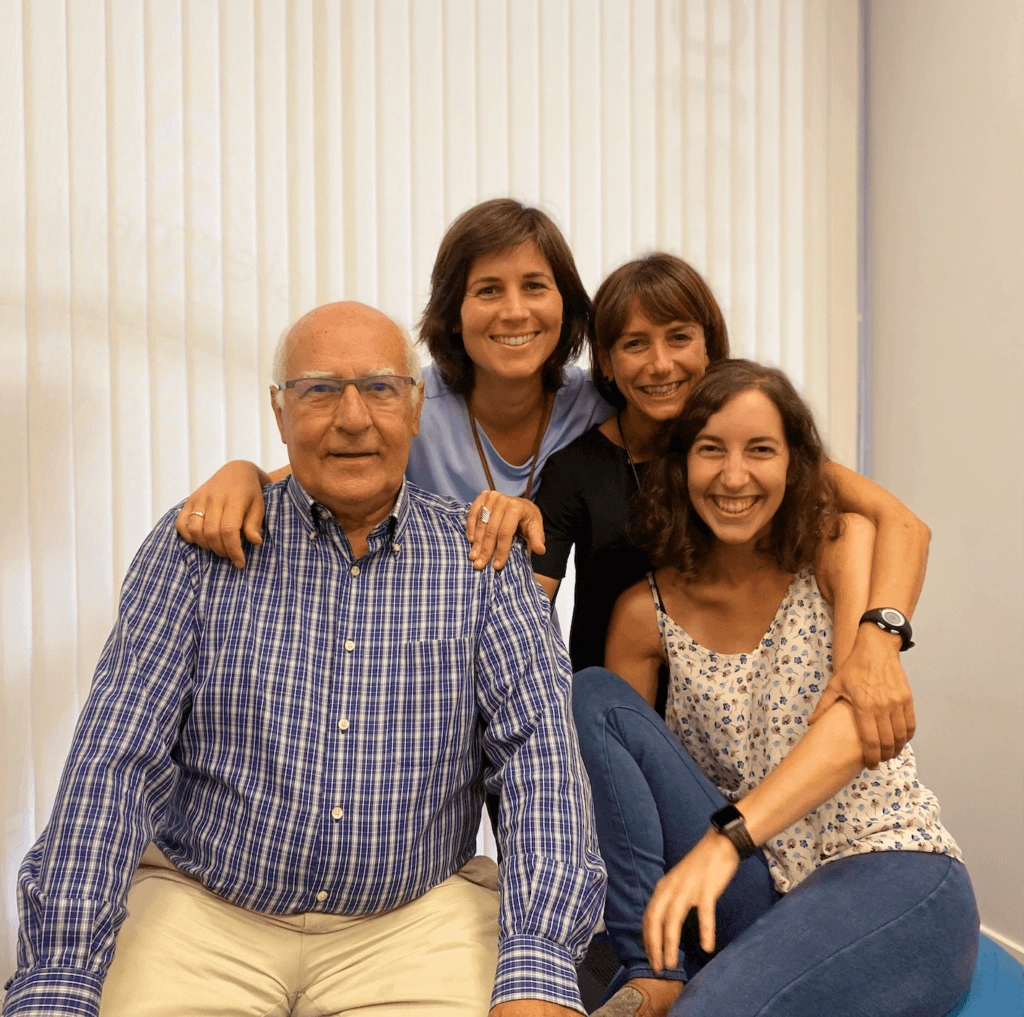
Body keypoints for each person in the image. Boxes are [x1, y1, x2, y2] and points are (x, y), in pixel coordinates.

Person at [3, 302, 606, 1017]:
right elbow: (116, 757)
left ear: (415, 407)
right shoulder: (195, 545)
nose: (352, 416)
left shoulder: (484, 560)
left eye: (381, 388)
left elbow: (538, 763)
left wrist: (538, 962)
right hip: (204, 910)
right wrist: (62, 972)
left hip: (414, 921)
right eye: (319, 389)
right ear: (279, 411)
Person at [572, 359, 978, 1017]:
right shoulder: (643, 615)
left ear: (796, 466)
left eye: (761, 449)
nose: (734, 476)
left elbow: (855, 726)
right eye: (712, 450)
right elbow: (627, 801)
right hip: (757, 891)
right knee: (591, 694)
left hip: (884, 867)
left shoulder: (837, 548)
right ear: (680, 466)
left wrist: (723, 839)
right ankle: (653, 969)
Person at [533, 253, 929, 767]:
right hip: (617, 729)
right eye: (635, 344)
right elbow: (528, 615)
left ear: (708, 345)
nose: (660, 364)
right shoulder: (574, 471)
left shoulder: (754, 451)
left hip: (740, 730)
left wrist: (877, 645)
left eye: (678, 337)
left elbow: (902, 525)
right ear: (606, 362)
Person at [175, 198, 611, 573]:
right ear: (453, 313)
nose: (515, 312)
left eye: (534, 286)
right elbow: (311, 474)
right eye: (488, 290)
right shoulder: (407, 400)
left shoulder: (598, 404)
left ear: (565, 303)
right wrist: (242, 473)